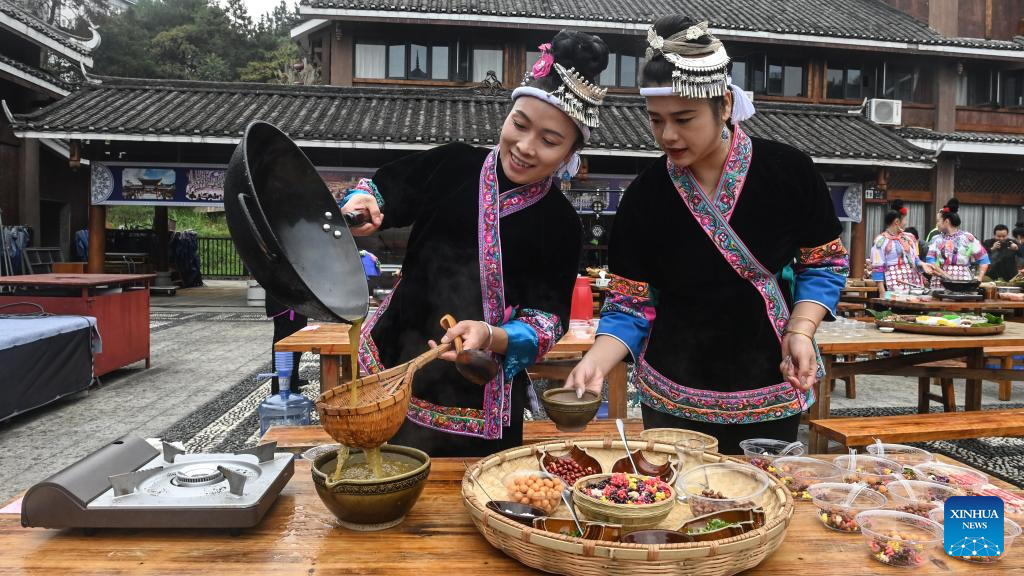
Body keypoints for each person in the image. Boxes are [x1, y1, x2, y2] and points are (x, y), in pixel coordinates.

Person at [562, 16, 849, 454]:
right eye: (656, 120)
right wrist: (596, 362)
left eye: (683, 118)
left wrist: (803, 329)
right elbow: (628, 302)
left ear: (725, 106)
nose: (668, 135)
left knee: (761, 504)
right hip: (674, 387)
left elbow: (824, 261)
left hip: (770, 373)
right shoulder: (645, 196)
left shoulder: (788, 171)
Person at [339, 30, 610, 457]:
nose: (524, 146)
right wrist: (365, 200)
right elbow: (385, 189)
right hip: (391, 363)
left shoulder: (560, 222)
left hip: (480, 392)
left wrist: (492, 334)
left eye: (549, 140)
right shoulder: (452, 165)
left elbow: (546, 321)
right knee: (376, 471)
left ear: (571, 153)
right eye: (519, 125)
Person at [870, 200, 934, 292]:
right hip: (894, 282)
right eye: (904, 219)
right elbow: (878, 267)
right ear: (896, 221)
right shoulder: (881, 241)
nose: (906, 223)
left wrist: (922, 264)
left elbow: (914, 259)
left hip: (913, 281)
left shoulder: (909, 237)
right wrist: (882, 291)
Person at [926, 201, 989, 287]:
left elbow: (983, 258)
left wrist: (980, 277)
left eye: (938, 221)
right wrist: (944, 274)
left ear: (946, 221)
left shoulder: (968, 237)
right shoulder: (936, 239)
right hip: (940, 279)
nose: (937, 224)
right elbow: (930, 260)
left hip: (963, 280)